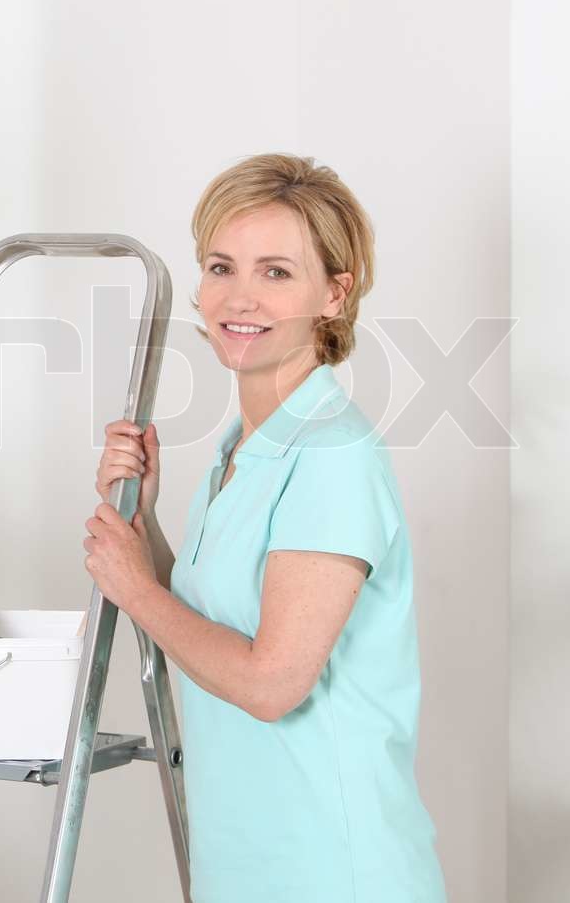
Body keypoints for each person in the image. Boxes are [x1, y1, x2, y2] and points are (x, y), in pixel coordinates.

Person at [81, 154, 446, 901]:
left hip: (334, 869)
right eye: (222, 266)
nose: (239, 295)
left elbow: (273, 680)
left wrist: (134, 588)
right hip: (246, 863)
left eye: (276, 272)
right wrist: (144, 519)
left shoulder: (332, 455)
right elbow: (217, 626)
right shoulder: (238, 452)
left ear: (334, 294)